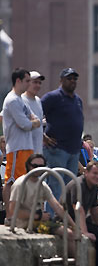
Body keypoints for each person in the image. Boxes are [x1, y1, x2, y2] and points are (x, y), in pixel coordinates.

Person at [9, 153, 98, 266]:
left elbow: (57, 207)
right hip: (26, 224)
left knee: (71, 232)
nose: (38, 169)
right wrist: (38, 216)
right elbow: (13, 210)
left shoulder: (42, 184)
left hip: (40, 221)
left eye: (41, 166)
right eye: (35, 166)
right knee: (67, 234)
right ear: (28, 166)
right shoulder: (21, 183)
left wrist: (75, 226)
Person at [41, 68, 83, 214]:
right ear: (61, 80)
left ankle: (62, 219)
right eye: (69, 78)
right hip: (56, 149)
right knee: (55, 185)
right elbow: (35, 114)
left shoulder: (78, 100)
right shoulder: (52, 97)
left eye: (74, 79)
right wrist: (43, 136)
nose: (72, 81)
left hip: (73, 150)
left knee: (68, 188)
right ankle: (51, 220)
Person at [2, 68, 41, 219]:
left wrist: (33, 121)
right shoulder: (12, 100)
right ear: (18, 81)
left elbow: (33, 117)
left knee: (23, 180)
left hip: (26, 146)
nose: (29, 84)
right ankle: (10, 215)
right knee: (12, 180)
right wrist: (34, 122)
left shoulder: (20, 100)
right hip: (17, 146)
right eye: (27, 81)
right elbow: (25, 123)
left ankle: (17, 213)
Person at [22, 70, 45, 154]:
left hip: (38, 151)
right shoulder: (20, 99)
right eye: (35, 82)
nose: (38, 85)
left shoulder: (38, 101)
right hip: (24, 150)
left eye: (39, 83)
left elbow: (39, 125)